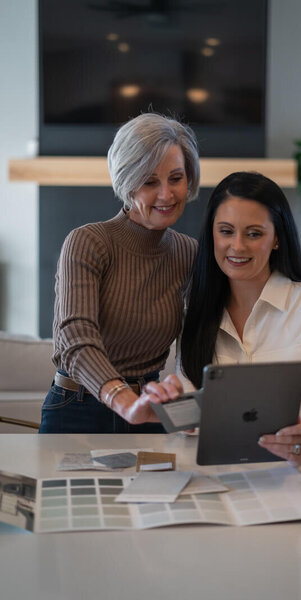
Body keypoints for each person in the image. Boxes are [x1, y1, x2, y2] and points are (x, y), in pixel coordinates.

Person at [39, 112, 200, 433]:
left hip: (150, 409)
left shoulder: (189, 252)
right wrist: (126, 402)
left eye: (176, 178)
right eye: (149, 181)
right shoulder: (88, 241)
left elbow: (201, 342)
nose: (167, 194)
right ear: (127, 182)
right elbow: (74, 338)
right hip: (79, 408)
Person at [180, 171, 301, 465]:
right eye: (225, 231)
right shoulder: (192, 311)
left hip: (294, 474)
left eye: (254, 233)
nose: (237, 246)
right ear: (212, 234)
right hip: (214, 474)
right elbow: (188, 416)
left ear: (276, 239)